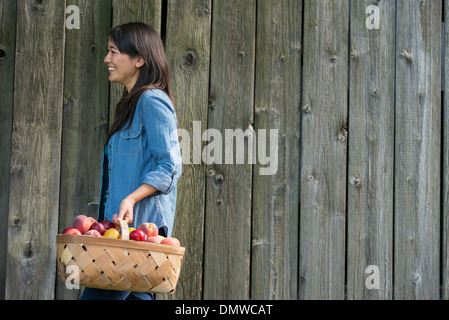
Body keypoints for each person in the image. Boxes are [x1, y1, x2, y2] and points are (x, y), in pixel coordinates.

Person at [80, 22, 182, 300]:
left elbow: (170, 167)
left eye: (113, 52)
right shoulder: (131, 106)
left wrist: (131, 199)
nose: (107, 59)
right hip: (121, 237)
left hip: (133, 240)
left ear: (139, 59)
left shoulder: (152, 101)